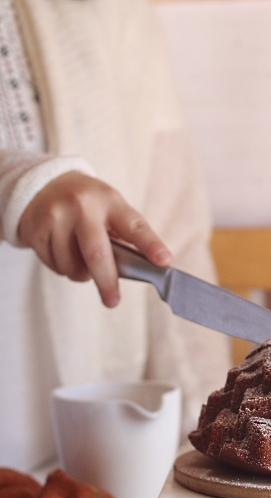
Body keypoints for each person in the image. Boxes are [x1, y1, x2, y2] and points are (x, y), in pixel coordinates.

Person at [0, 0, 230, 470]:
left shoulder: (120, 14)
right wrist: (16, 183)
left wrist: (210, 444)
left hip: (90, 461)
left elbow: (173, 235)